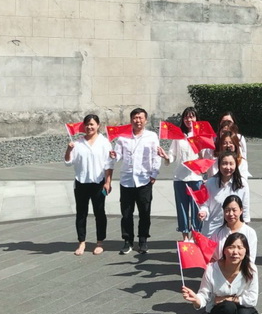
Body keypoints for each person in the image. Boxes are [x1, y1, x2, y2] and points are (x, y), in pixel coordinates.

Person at [181, 232, 260, 314]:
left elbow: (253, 298)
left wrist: (228, 298)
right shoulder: (211, 269)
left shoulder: (251, 269)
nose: (235, 252)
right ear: (224, 250)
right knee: (227, 307)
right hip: (220, 308)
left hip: (242, 307)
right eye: (231, 247)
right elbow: (204, 295)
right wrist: (196, 300)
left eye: (240, 247)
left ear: (246, 251)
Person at [111, 108, 161, 255]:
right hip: (127, 180)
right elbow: (118, 154)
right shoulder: (123, 136)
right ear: (131, 120)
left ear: (145, 120)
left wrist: (154, 173)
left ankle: (143, 240)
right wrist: (114, 155)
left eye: (140, 118)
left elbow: (156, 156)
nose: (137, 121)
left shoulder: (151, 136)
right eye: (135, 118)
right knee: (126, 213)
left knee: (145, 212)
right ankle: (127, 241)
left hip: (144, 179)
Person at [64, 114, 113, 256]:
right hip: (81, 183)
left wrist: (108, 182)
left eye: (92, 124)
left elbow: (109, 164)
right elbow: (68, 162)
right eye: (87, 124)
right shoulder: (78, 143)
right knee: (81, 213)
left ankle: (100, 242)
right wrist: (68, 150)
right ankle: (82, 242)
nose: (89, 127)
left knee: (100, 213)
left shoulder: (104, 142)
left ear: (98, 125)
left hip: (98, 183)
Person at [158, 107, 205, 238]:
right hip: (180, 177)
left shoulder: (201, 135)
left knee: (197, 208)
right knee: (182, 208)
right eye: (186, 117)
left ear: (196, 118)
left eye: (192, 117)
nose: (189, 120)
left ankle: (196, 235)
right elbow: (172, 155)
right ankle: (185, 236)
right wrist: (166, 157)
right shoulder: (179, 136)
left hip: (196, 178)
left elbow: (205, 157)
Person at [199, 151, 250, 237]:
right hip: (213, 229)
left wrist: (245, 230)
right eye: (224, 164)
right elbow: (205, 205)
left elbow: (245, 208)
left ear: (236, 165)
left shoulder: (242, 184)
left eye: (231, 164)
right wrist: (203, 212)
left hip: (234, 230)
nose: (228, 167)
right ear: (219, 165)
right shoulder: (210, 183)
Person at [210, 195, 257, 262]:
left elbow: (250, 259)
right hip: (220, 268)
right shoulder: (217, 233)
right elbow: (212, 257)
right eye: (227, 210)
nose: (231, 214)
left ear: (241, 211)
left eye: (234, 210)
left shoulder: (250, 233)